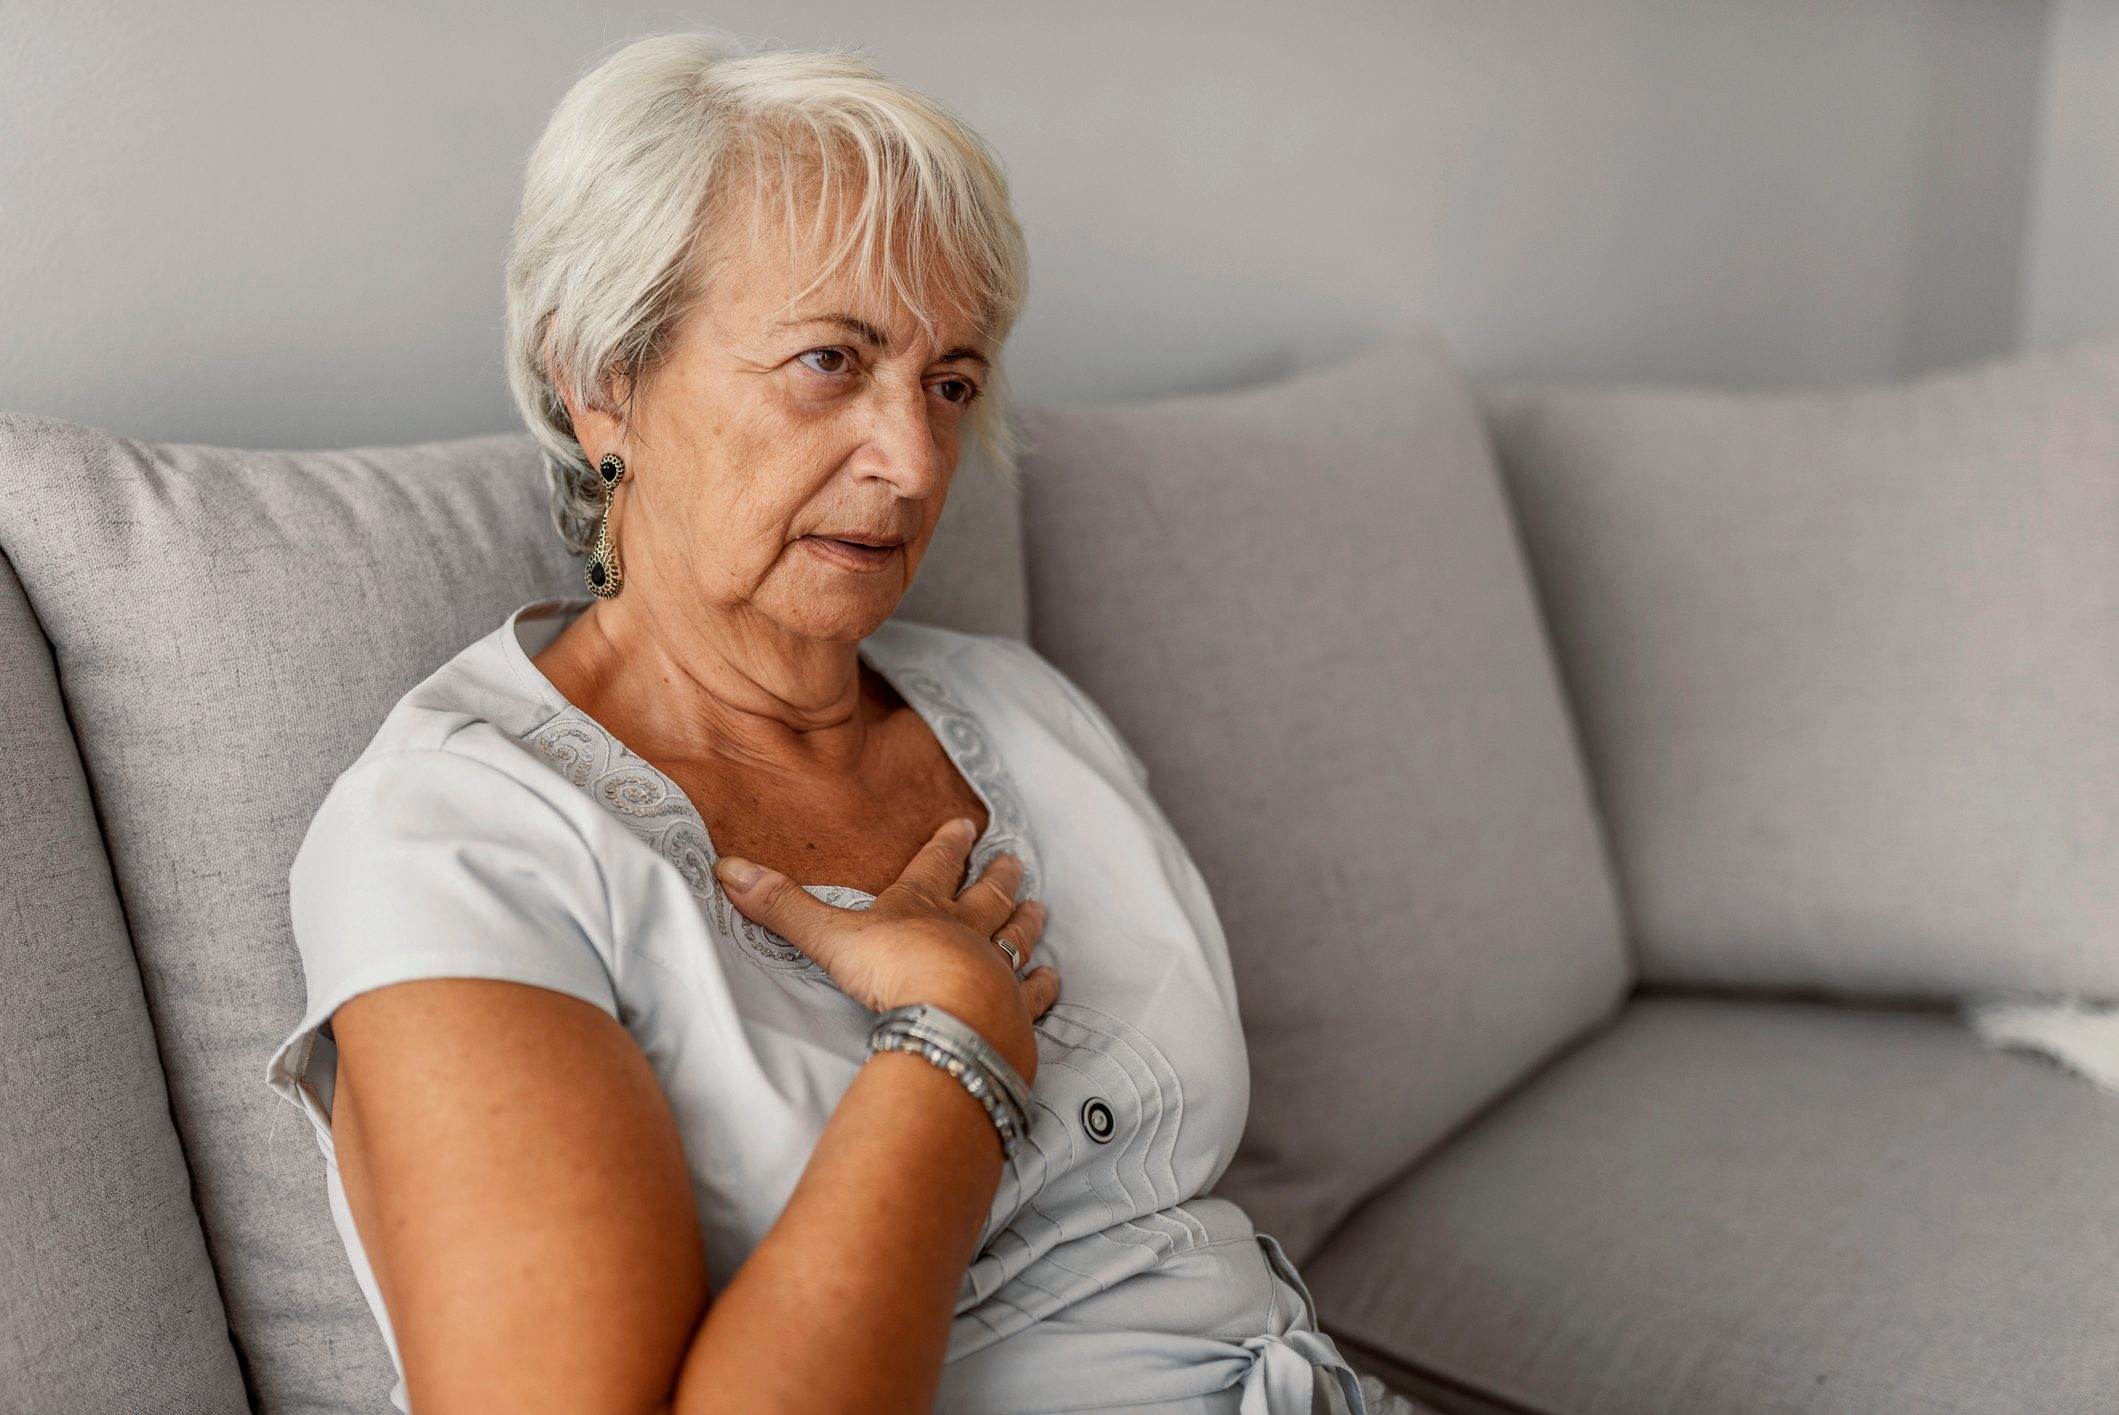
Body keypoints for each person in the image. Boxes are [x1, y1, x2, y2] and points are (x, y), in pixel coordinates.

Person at [264, 30, 1420, 1415]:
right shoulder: (456, 839)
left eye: (951, 383)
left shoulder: (1019, 708)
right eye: (829, 361)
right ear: (602, 379)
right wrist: (955, 1036)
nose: (917, 462)